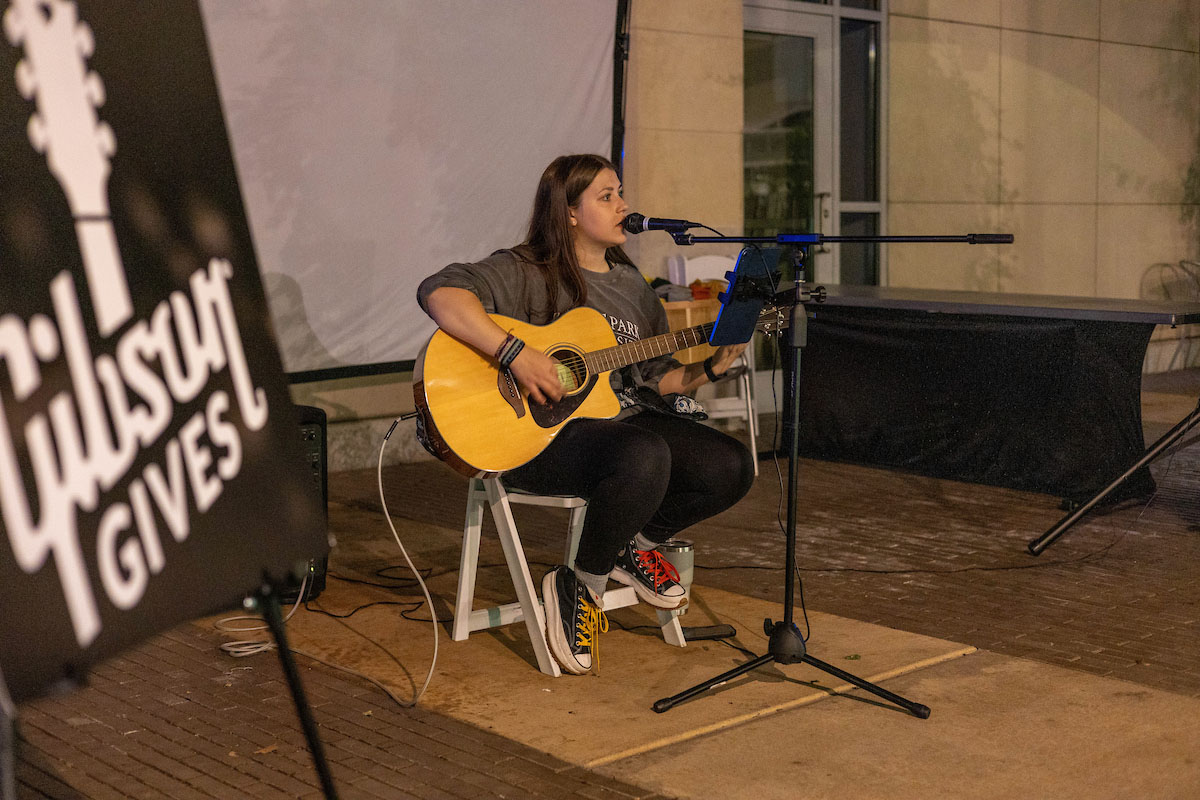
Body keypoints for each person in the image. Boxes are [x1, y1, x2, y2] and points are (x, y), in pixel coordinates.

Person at [417, 154, 755, 675]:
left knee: (730, 465)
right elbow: (438, 293)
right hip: (536, 438)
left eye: (620, 193)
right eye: (607, 196)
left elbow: (652, 378)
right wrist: (515, 354)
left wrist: (708, 370)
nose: (624, 205)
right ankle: (583, 583)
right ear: (570, 212)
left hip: (620, 427)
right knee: (644, 452)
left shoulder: (633, 287)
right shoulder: (527, 270)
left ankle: (630, 546)